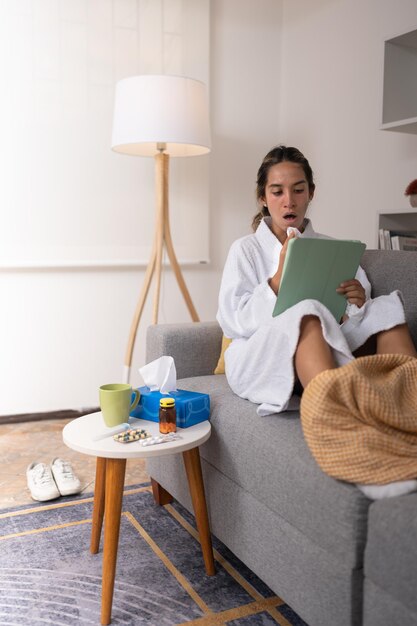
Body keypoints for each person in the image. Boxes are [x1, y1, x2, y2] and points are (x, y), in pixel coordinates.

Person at [216, 145, 417, 416]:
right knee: (307, 312)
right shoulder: (245, 250)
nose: (289, 201)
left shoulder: (331, 248)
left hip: (329, 342)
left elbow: (355, 312)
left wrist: (357, 302)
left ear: (311, 192)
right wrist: (277, 279)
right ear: (263, 197)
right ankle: (335, 420)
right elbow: (233, 321)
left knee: (385, 306)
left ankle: (408, 410)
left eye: (298, 190)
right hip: (259, 357)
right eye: (277, 192)